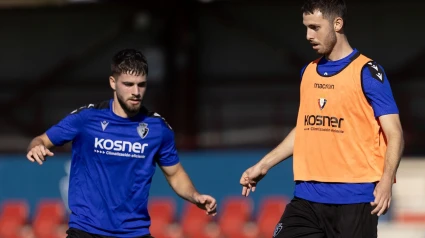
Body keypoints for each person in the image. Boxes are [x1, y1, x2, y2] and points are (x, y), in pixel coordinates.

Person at [239, 0, 404, 237]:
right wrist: (263, 165)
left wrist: (386, 181)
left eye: (315, 27)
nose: (308, 35)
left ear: (337, 24)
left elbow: (395, 133)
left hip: (354, 199)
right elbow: (305, 129)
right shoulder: (308, 72)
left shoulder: (367, 72)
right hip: (306, 198)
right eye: (306, 27)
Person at [26, 49, 217, 238]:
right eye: (128, 84)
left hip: (134, 232)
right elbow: (42, 139)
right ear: (113, 83)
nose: (136, 92)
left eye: (141, 85)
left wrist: (195, 196)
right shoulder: (87, 118)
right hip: (86, 230)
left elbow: (174, 173)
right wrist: (36, 146)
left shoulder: (158, 128)